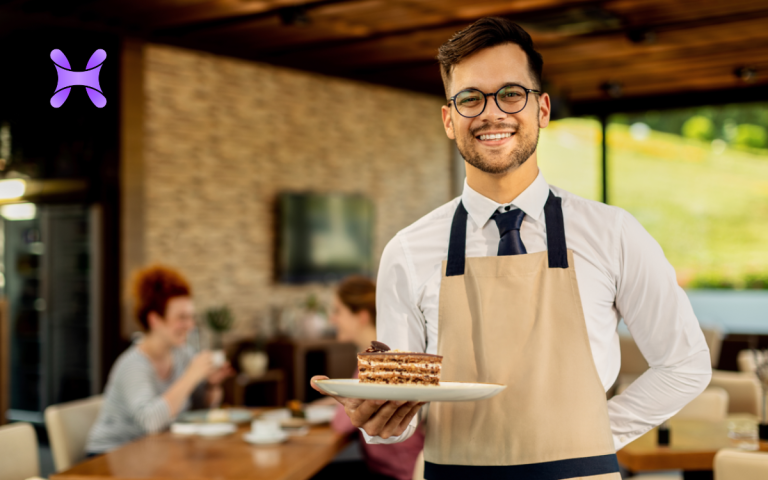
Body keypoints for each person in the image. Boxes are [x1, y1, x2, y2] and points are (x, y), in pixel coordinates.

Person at [312, 17, 712, 479]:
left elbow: (684, 363)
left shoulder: (614, 233)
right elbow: (399, 415)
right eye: (470, 99)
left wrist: (597, 433)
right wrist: (378, 424)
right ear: (449, 119)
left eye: (511, 94)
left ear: (542, 109)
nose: (491, 113)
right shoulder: (407, 251)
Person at [86, 265, 233, 454]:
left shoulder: (183, 354)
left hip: (152, 454)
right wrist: (191, 376)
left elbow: (198, 408)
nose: (190, 325)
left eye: (191, 317)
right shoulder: (132, 365)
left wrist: (211, 385)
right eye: (181, 317)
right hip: (109, 457)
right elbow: (151, 422)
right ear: (154, 320)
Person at [314, 276, 424, 480]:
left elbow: (341, 422)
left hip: (398, 474)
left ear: (361, 316)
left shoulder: (377, 363)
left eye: (338, 311)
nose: (332, 319)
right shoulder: (385, 351)